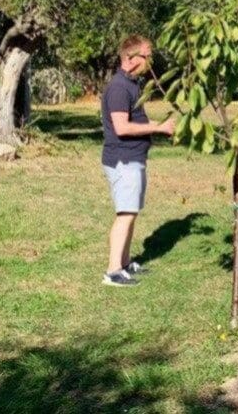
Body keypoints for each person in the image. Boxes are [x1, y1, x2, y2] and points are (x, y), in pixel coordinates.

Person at [100, 35, 175, 287]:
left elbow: (136, 121)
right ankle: (112, 271)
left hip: (133, 158)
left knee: (130, 212)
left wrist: (159, 126)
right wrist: (159, 127)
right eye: (146, 56)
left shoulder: (132, 85)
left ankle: (124, 262)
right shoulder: (120, 88)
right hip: (124, 159)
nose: (149, 61)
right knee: (125, 214)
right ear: (131, 59)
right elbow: (122, 127)